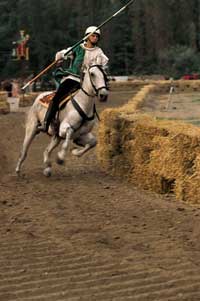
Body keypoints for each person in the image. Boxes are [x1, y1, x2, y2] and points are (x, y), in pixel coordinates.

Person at [38, 26, 109, 132]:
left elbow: (99, 66)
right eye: (93, 36)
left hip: (86, 82)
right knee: (57, 98)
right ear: (87, 37)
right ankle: (46, 122)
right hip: (72, 79)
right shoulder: (78, 48)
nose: (95, 38)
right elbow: (62, 54)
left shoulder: (99, 52)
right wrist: (59, 57)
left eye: (97, 37)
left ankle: (91, 121)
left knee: (90, 100)